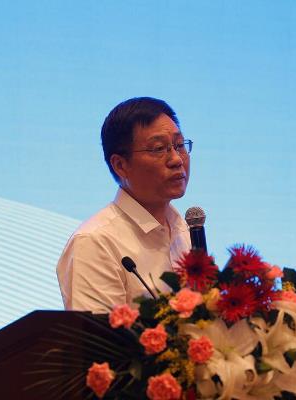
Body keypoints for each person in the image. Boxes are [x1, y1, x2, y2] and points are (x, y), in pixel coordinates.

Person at [56, 97, 193, 312]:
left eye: (179, 145)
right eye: (159, 148)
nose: (177, 159)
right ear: (120, 165)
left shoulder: (182, 228)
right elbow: (98, 333)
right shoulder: (95, 243)